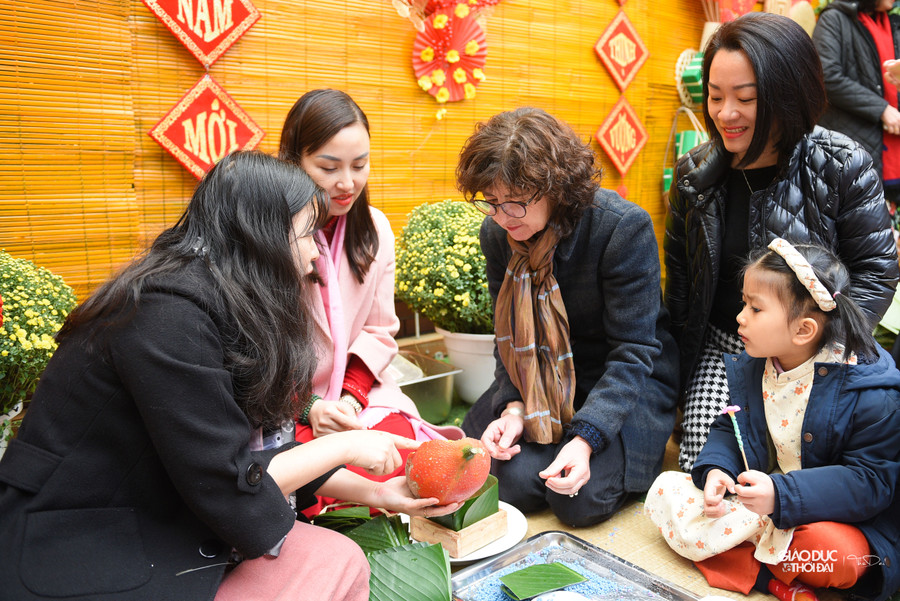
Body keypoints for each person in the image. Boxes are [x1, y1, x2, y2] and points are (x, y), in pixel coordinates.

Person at [0, 151, 459, 601]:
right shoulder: (166, 317)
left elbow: (250, 455)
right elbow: (228, 477)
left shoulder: (212, 299)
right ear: (261, 236)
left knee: (337, 557)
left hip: (151, 511)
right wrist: (347, 445)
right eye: (304, 236)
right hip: (81, 540)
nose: (314, 256)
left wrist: (377, 491)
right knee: (333, 562)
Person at [665, 12, 899, 472]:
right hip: (727, 348)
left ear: (786, 95)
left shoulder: (843, 162)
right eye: (715, 96)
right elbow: (681, 288)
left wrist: (814, 347)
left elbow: (876, 270)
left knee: (817, 475)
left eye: (745, 98)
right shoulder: (695, 176)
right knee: (710, 472)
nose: (725, 113)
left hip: (817, 348)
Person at [457, 107, 679, 528]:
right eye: (492, 203)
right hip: (538, 376)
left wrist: (586, 439)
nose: (503, 218)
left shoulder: (620, 228)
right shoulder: (498, 235)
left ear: (555, 187)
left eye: (517, 204)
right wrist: (513, 409)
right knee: (510, 481)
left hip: (624, 378)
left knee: (578, 500)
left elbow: (635, 351)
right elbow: (506, 336)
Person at [646, 239, 900, 601]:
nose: (740, 316)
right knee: (666, 491)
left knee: (835, 555)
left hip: (836, 520)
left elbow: (869, 481)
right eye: (743, 303)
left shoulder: (872, 393)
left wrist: (782, 495)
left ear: (803, 330)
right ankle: (776, 582)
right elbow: (730, 427)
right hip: (765, 507)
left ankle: (752, 566)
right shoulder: (758, 365)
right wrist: (717, 469)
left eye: (755, 308)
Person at [278, 89, 462, 516]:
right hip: (285, 406)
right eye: (328, 167)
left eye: (359, 165)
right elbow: (258, 350)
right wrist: (309, 407)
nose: (347, 183)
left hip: (353, 396)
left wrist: (347, 400)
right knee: (319, 477)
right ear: (293, 162)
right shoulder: (275, 235)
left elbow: (379, 331)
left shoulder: (375, 230)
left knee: (410, 457)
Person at [813, 0, 900, 213]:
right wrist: (881, 109)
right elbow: (827, 76)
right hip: (853, 144)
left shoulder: (890, 21)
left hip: (890, 145)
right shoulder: (834, 18)